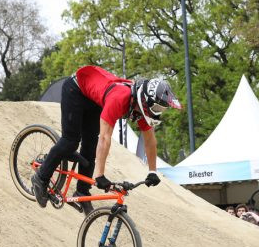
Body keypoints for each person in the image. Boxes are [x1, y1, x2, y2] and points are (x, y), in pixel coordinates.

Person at [31, 65, 182, 215]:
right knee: (70, 141)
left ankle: (82, 193)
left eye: (162, 110)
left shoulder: (141, 107)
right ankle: (41, 177)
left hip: (95, 100)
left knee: (90, 146)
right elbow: (105, 137)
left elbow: (150, 140)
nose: (158, 113)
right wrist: (99, 175)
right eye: (157, 108)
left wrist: (152, 171)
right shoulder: (119, 98)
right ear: (146, 100)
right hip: (76, 90)